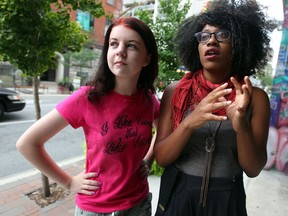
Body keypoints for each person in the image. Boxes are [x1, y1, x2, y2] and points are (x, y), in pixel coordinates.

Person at [16, 17, 160, 216]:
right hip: (95, 208)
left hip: (138, 205)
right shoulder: (87, 97)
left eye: (132, 45)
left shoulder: (148, 100)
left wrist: (148, 158)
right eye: (113, 44)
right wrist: (68, 182)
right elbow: (27, 143)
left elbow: (162, 129)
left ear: (147, 58)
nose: (120, 50)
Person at [154, 0, 274, 215]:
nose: (211, 41)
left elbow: (253, 168)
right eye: (204, 36)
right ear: (196, 46)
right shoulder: (176, 92)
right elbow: (162, 158)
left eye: (222, 35)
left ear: (239, 43)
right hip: (180, 194)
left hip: (227, 198)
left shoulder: (255, 98)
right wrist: (190, 122)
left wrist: (241, 126)